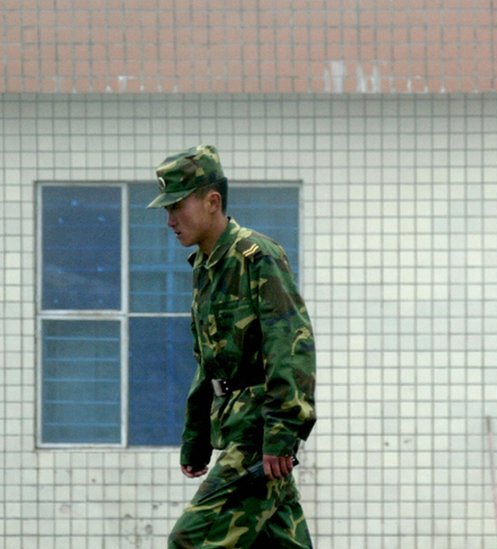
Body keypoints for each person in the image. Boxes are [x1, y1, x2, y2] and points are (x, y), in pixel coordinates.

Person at [148, 144, 316, 548]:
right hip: (235, 427)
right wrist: (197, 436)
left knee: (190, 542)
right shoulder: (206, 268)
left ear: (212, 201)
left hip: (257, 437)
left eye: (178, 207)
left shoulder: (257, 258)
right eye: (166, 211)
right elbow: (209, 364)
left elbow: (291, 344)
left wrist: (280, 435)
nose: (170, 220)